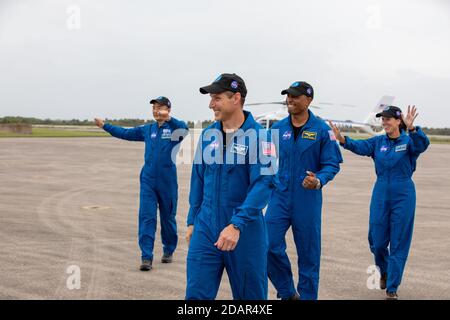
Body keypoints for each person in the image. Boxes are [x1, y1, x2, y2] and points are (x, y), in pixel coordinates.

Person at [185, 73, 274, 300]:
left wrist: (236, 225)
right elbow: (198, 179)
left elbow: (264, 184)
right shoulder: (207, 135)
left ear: (236, 98)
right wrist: (192, 220)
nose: (210, 104)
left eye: (216, 98)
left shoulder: (261, 137)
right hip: (205, 226)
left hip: (245, 231)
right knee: (196, 297)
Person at [329, 105, 429, 300]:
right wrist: (343, 140)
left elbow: (422, 145)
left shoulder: (409, 142)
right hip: (381, 192)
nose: (384, 122)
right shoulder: (378, 142)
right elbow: (360, 146)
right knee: (376, 240)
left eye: (388, 119)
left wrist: (414, 129)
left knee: (399, 241)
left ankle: (392, 287)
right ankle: (383, 271)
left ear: (398, 121)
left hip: (403, 194)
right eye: (382, 119)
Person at [266, 81, 343, 300]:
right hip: (279, 196)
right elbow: (265, 161)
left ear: (308, 100)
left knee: (309, 255)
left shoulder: (322, 130)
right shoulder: (276, 129)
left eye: (296, 96)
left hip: (307, 199)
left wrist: (318, 179)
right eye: (288, 95)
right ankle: (288, 292)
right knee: (268, 245)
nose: (290, 99)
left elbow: (332, 164)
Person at [94, 96, 188, 271]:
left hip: (167, 180)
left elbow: (184, 129)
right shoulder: (148, 129)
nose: (156, 111)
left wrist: (169, 119)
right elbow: (125, 133)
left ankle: (169, 250)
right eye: (154, 108)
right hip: (148, 180)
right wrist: (105, 126)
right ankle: (146, 256)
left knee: (168, 218)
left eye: (159, 107)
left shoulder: (174, 129)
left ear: (168, 109)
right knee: (146, 217)